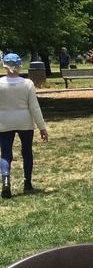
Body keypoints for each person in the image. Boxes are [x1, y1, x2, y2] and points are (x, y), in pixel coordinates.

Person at [1, 53, 50, 198]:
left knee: (5, 154)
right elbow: (34, 107)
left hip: (4, 121)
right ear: (20, 66)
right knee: (27, 152)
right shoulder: (27, 84)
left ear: (4, 66)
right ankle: (27, 182)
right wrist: (42, 127)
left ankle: (5, 179)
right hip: (25, 121)